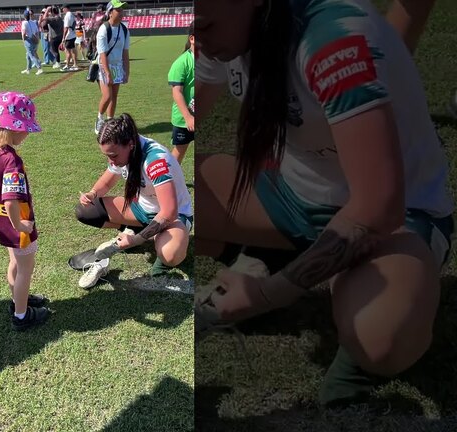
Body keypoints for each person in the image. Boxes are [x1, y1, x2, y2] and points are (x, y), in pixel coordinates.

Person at [193, 0, 454, 408]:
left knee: (380, 336)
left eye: (204, 25)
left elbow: (377, 207)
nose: (199, 40)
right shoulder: (223, 31)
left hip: (396, 218)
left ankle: (355, 349)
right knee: (180, 199)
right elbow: (191, 122)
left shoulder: (331, 38)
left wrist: (267, 295)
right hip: (293, 196)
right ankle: (271, 253)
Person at [75, 114, 193, 287]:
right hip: (141, 209)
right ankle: (139, 230)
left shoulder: (155, 161)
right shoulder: (126, 146)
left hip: (173, 217)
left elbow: (169, 211)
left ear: (130, 145)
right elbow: (107, 181)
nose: (110, 161)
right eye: (107, 155)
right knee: (85, 211)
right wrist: (92, 193)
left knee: (170, 254)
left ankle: (146, 237)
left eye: (113, 155)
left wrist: (137, 240)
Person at [0, 91, 51, 331]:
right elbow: (10, 200)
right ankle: (21, 316)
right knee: (26, 268)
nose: (28, 133)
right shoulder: (11, 161)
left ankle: (18, 300)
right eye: (26, 128)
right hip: (17, 223)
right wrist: (20, 225)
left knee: (14, 263)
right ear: (14, 128)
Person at [94, 0, 130, 135]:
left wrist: (126, 71)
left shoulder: (124, 30)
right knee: (107, 95)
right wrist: (107, 73)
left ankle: (110, 122)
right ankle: (99, 118)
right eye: (118, 10)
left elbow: (125, 52)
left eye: (122, 10)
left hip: (117, 66)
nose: (121, 13)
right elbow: (102, 54)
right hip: (104, 65)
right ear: (110, 13)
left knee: (114, 96)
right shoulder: (104, 29)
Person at [167, 21, 195, 164]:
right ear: (192, 38)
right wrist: (188, 117)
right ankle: (169, 180)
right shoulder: (182, 62)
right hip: (184, 119)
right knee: (179, 151)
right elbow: (177, 92)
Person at [20, 9, 44, 75]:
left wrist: (23, 40)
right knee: (28, 55)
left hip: (28, 40)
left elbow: (24, 33)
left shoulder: (24, 23)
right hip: (34, 40)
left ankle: (39, 68)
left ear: (24, 16)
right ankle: (28, 69)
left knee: (32, 55)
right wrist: (37, 39)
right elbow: (37, 32)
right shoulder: (33, 22)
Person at [61, 5, 80, 71]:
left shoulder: (67, 15)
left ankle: (67, 65)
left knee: (67, 51)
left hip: (69, 36)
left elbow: (66, 28)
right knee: (73, 51)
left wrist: (63, 37)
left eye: (63, 8)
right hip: (73, 34)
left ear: (66, 8)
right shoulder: (71, 14)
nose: (62, 10)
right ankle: (75, 64)